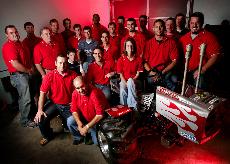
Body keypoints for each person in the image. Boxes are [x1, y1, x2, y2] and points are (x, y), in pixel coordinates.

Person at [34, 55, 79, 146]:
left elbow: (79, 91)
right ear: (55, 63)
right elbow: (42, 93)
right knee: (40, 119)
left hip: (69, 104)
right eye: (60, 63)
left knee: (73, 122)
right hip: (55, 104)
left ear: (67, 64)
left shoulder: (73, 74)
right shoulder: (49, 76)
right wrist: (39, 110)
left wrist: (75, 102)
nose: (62, 65)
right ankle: (47, 136)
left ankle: (77, 136)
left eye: (64, 63)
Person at [2, 25, 36, 127]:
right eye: (11, 33)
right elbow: (15, 64)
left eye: (15, 31)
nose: (15, 34)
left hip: (26, 73)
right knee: (25, 99)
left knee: (29, 96)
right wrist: (29, 70)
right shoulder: (9, 46)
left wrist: (31, 68)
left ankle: (31, 116)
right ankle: (25, 121)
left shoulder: (20, 44)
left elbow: (27, 59)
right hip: (19, 76)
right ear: (6, 35)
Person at [179, 12, 221, 89]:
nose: (194, 25)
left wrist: (203, 69)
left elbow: (216, 55)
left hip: (200, 69)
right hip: (185, 69)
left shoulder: (209, 37)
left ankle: (198, 100)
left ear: (202, 23)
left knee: (199, 81)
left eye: (197, 23)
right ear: (189, 24)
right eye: (192, 23)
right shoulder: (183, 38)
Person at [69, 76, 109, 145]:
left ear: (87, 83)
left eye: (82, 86)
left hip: (99, 120)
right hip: (86, 117)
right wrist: (78, 122)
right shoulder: (75, 93)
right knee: (70, 121)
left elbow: (100, 115)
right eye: (77, 88)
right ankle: (80, 136)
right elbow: (74, 110)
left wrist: (86, 127)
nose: (80, 90)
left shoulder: (94, 93)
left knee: (97, 142)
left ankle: (88, 132)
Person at [143, 19, 179, 91]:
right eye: (156, 27)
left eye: (161, 26)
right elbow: (144, 62)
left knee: (175, 79)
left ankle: (170, 97)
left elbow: (174, 61)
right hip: (153, 71)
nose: (159, 29)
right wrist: (151, 72)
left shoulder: (171, 42)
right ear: (153, 29)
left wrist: (162, 73)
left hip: (166, 70)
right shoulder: (149, 43)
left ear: (164, 28)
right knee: (151, 80)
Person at [117, 38, 143, 110]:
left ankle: (133, 108)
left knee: (130, 81)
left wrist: (130, 82)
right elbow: (121, 75)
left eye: (131, 46)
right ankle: (124, 108)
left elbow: (138, 74)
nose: (130, 47)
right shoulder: (121, 59)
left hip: (135, 81)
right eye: (128, 46)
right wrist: (126, 83)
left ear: (134, 47)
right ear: (125, 47)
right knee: (122, 86)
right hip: (124, 80)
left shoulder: (138, 59)